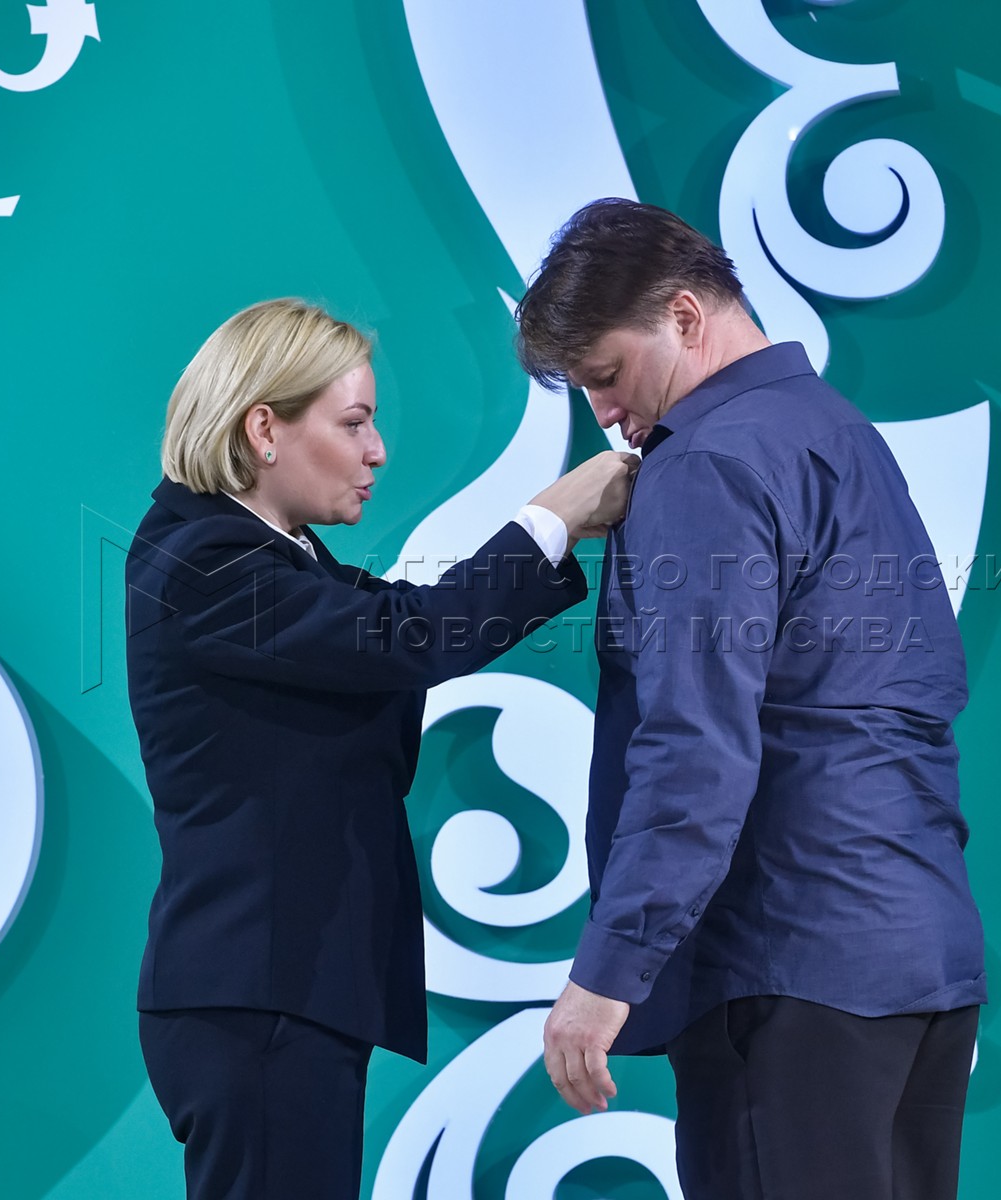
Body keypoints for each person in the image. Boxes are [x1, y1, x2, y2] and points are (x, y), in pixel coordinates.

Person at [517, 200, 986, 1200]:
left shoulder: (703, 465)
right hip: (925, 961)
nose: (604, 412)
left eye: (606, 374)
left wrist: (606, 976)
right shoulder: (841, 431)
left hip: (787, 971)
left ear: (684, 316)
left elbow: (694, 750)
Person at [126, 298, 637, 1200]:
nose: (378, 452)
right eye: (355, 423)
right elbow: (411, 637)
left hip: (284, 992)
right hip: (263, 993)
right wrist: (551, 516)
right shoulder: (206, 561)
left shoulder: (278, 558)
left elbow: (403, 622)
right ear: (264, 430)